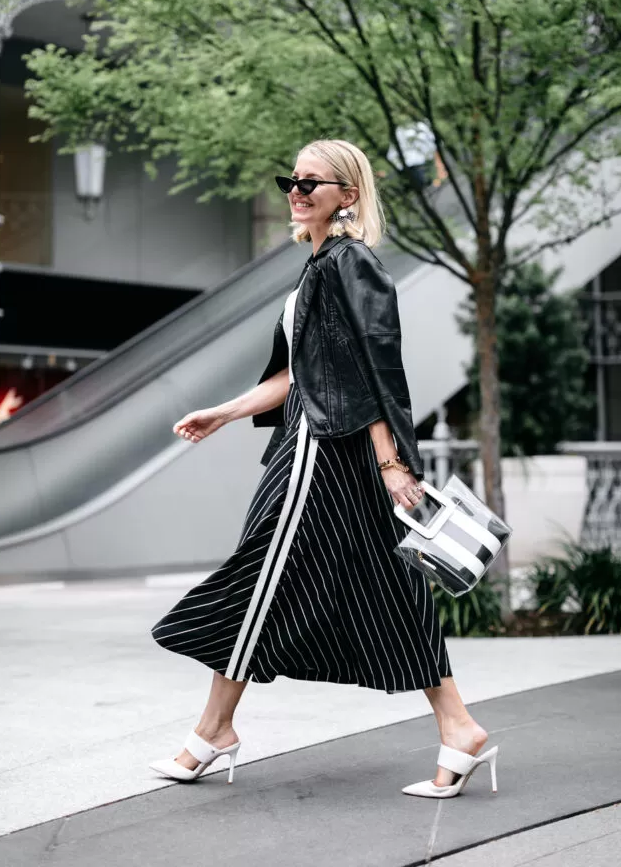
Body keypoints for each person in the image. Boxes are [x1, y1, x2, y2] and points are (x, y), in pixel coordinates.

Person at [150, 139, 497, 799]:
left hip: (324, 455)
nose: (298, 190)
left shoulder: (349, 263)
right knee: (388, 590)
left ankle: (212, 731)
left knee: (258, 576)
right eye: (292, 180)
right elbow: (298, 375)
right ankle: (459, 729)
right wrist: (223, 412)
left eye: (314, 182)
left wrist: (392, 461)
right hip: (316, 448)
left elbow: (374, 368)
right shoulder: (317, 267)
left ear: (350, 194)